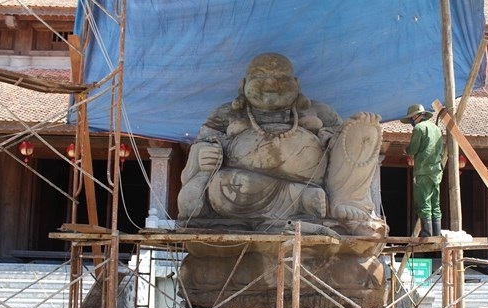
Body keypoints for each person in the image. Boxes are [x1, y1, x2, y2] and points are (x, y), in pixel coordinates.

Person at [177, 52, 385, 236]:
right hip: (249, 187)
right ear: (243, 84)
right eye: (259, 76)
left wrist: (345, 133)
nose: (270, 84)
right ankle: (302, 199)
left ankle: (346, 200)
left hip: (312, 177)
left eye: (280, 77)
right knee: (220, 185)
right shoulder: (225, 114)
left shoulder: (319, 111)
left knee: (365, 131)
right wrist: (202, 154)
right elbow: (204, 143)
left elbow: (338, 147)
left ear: (296, 84)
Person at [401, 104, 444, 237]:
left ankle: (427, 232)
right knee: (435, 202)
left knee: (423, 201)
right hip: (436, 171)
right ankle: (437, 233)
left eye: (411, 119)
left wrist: (405, 149)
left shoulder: (419, 128)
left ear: (415, 116)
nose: (411, 122)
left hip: (423, 170)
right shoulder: (437, 129)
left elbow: (413, 149)